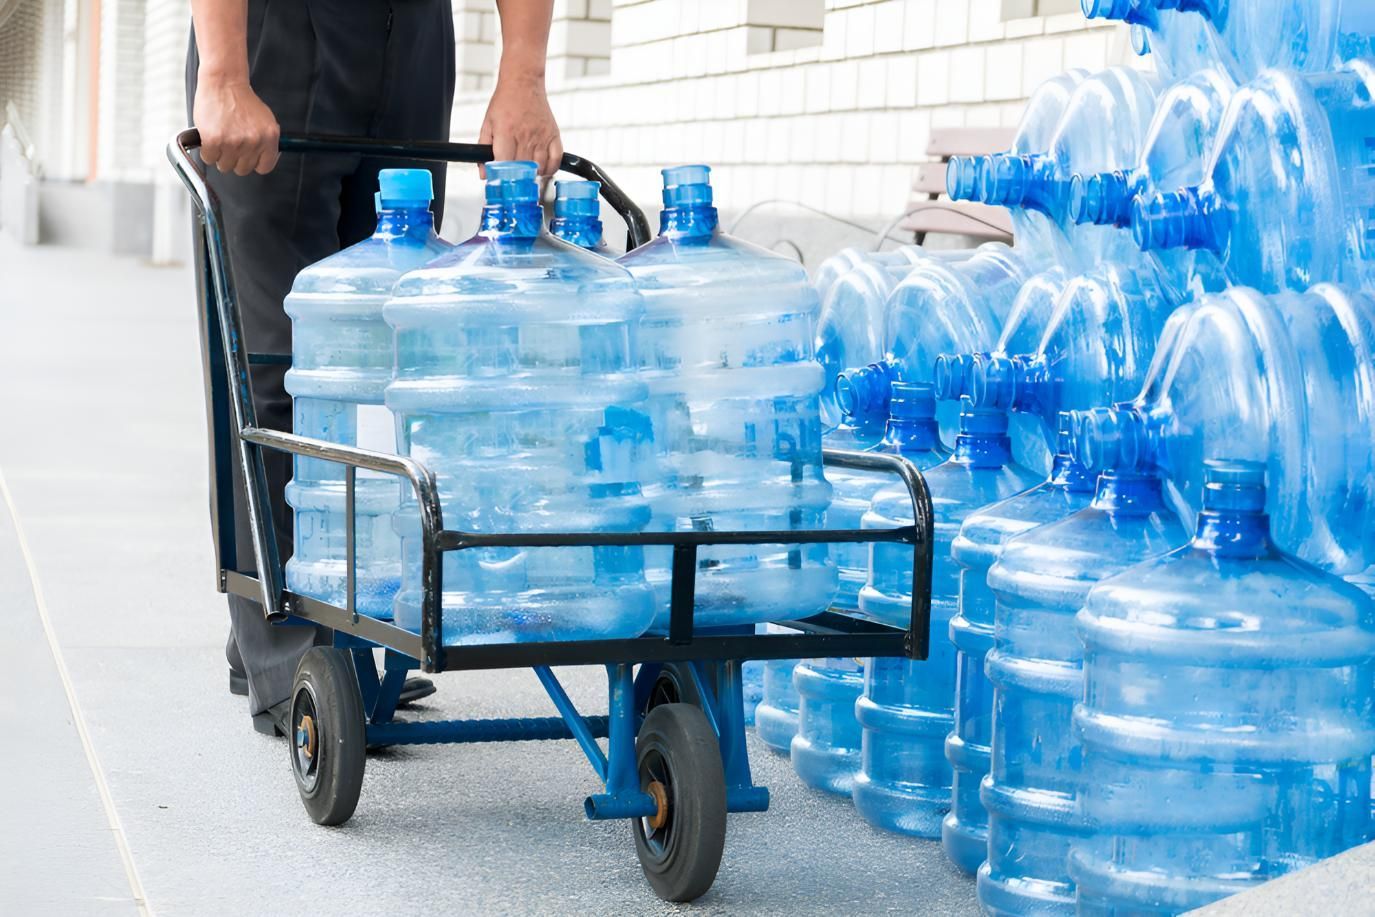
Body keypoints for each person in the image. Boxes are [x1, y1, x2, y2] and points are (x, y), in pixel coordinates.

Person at [187, 0, 563, 736]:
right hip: (275, 34)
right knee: (275, 349)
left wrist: (524, 73)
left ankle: (341, 623)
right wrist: (225, 69)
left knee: (389, 343)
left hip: (414, 36)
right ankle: (288, 653)